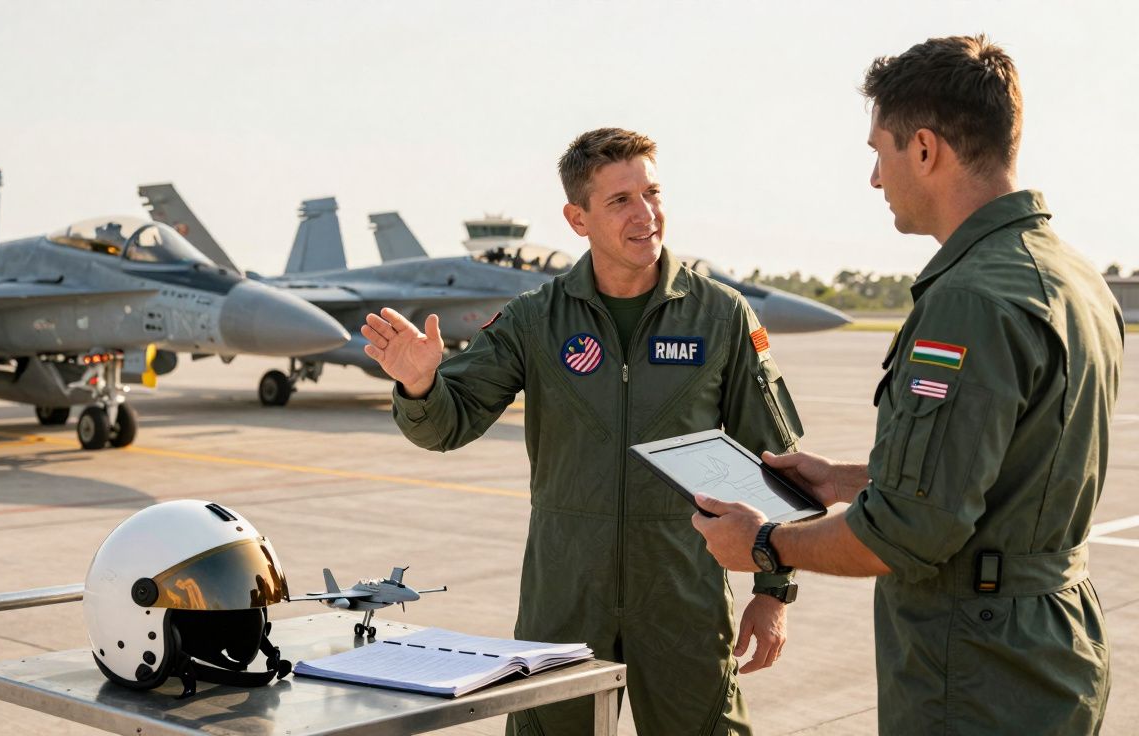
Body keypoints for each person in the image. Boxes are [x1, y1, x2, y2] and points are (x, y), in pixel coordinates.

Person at [691, 36, 1123, 735]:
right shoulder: (1072, 277)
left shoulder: (970, 299)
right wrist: (840, 479)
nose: (874, 178)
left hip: (975, 669)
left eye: (879, 151)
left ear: (925, 150)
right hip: (1052, 646)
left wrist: (765, 544)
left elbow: (910, 534)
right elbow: (1001, 473)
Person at [361, 128, 804, 735]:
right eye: (620, 200)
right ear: (578, 218)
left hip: (684, 600)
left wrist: (773, 591)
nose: (645, 213)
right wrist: (419, 386)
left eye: (652, 192)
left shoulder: (721, 315)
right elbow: (446, 426)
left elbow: (773, 461)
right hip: (563, 601)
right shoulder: (533, 319)